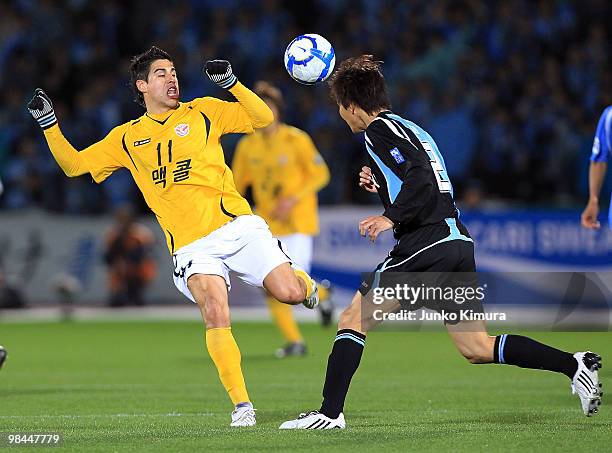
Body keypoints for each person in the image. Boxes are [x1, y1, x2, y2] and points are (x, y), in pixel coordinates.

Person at [280, 56, 602, 430]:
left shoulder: (378, 131)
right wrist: (383, 185)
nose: (341, 115)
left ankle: (329, 414)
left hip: (426, 241)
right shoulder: (411, 128)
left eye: (340, 107)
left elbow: (419, 176)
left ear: (351, 106)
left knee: (352, 318)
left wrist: (390, 217)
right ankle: (575, 364)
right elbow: (422, 173)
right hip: (455, 242)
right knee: (476, 348)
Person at [27, 46, 319, 427]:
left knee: (290, 294)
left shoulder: (203, 112)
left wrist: (232, 85)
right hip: (191, 245)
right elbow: (75, 165)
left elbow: (262, 117)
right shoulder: (128, 137)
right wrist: (50, 124)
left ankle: (308, 285)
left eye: (174, 72)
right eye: (162, 73)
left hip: (237, 225)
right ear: (142, 85)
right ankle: (243, 406)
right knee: (214, 311)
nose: (172, 78)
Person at [232, 81, 332, 358]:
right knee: (271, 286)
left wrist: (293, 198)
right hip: (266, 224)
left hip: (297, 222)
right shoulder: (246, 146)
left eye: (268, 107)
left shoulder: (296, 139)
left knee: (294, 284)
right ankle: (295, 341)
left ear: (278, 111)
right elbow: (236, 185)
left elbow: (321, 174)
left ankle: (322, 296)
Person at [103, 205, 157, 307]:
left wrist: (129, 264)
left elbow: (144, 255)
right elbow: (108, 257)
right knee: (116, 302)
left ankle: (135, 292)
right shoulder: (113, 234)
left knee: (137, 300)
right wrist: (119, 264)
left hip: (138, 270)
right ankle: (118, 292)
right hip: (120, 270)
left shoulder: (141, 234)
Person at [581, 105, 612, 229]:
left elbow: (598, 160)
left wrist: (593, 199)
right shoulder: (609, 118)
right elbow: (598, 159)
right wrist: (593, 199)